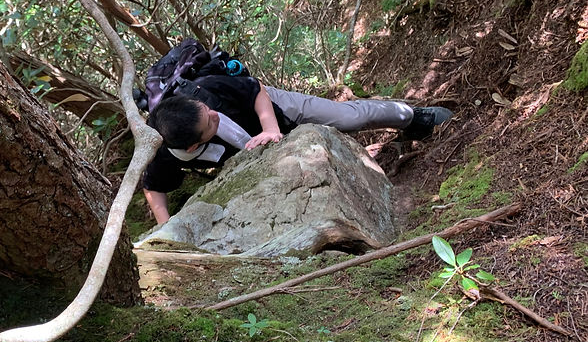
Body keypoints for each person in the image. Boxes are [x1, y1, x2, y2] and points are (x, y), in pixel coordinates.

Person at [142, 74, 452, 224]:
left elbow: (254, 88)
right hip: (261, 152)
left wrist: (270, 128)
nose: (213, 114)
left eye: (205, 108)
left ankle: (414, 116)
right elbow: (153, 187)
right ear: (195, 145)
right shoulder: (168, 152)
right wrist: (166, 225)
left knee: (349, 116)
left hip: (273, 108)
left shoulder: (206, 88)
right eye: (209, 123)